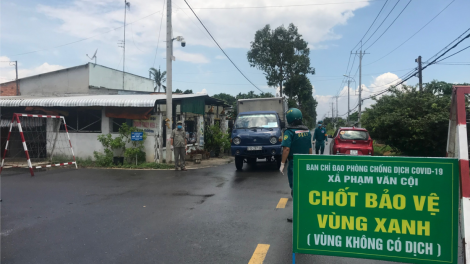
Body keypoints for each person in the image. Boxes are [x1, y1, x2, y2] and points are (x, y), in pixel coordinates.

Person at [280, 108, 312, 203]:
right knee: (304, 186)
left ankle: (297, 215)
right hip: (305, 162)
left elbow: (286, 149)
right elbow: (310, 148)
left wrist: (282, 164)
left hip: (294, 163)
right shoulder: (307, 131)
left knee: (295, 188)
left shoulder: (289, 132)